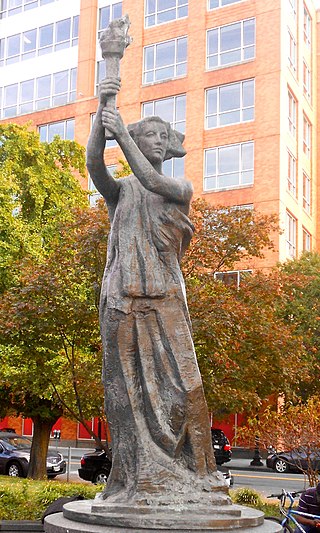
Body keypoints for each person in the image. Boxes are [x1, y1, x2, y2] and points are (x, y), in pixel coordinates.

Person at [86, 78, 227, 504]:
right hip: (122, 298)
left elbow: (148, 178)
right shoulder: (122, 191)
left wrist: (121, 131)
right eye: (149, 133)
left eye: (162, 136)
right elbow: (95, 166)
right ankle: (137, 478)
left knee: (188, 386)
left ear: (168, 149)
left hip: (165, 298)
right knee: (125, 393)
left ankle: (202, 475)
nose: (156, 140)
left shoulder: (178, 188)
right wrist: (102, 113)